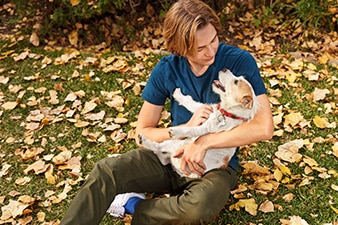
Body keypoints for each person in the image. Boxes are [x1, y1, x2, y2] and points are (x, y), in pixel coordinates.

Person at [60, 0, 273, 224]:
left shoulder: (239, 62)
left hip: (214, 169)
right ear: (180, 47)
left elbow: (264, 127)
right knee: (107, 170)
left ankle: (134, 206)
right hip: (169, 156)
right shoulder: (167, 69)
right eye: (200, 48)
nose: (211, 51)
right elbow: (142, 133)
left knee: (197, 208)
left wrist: (203, 142)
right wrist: (185, 130)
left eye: (213, 40)